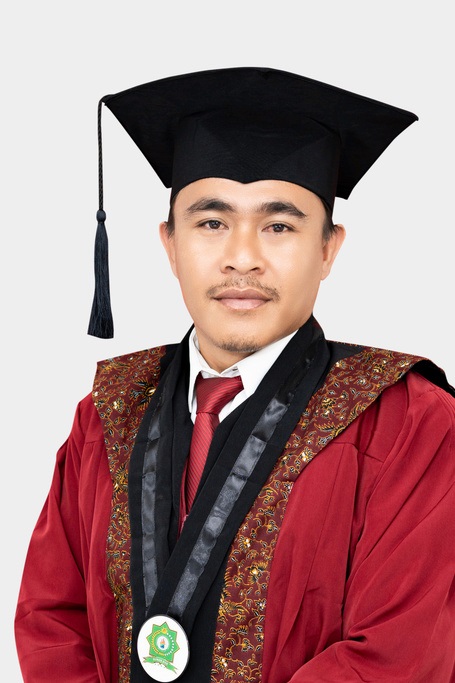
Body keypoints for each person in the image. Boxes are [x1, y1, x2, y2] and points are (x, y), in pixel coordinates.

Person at [15, 67, 455, 683]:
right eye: (211, 223)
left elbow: (399, 654)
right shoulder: (107, 414)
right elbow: (51, 621)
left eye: (279, 226)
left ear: (328, 248)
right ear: (170, 244)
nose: (242, 257)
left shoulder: (410, 423)